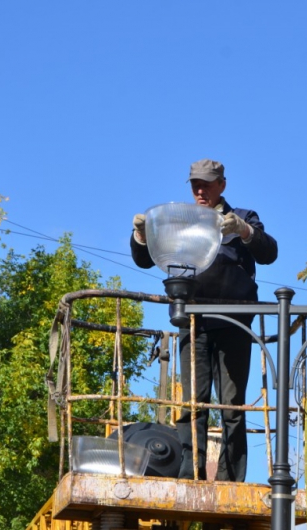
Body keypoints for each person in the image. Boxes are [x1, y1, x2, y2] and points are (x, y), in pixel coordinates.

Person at [130, 158, 278, 482]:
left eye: (207, 184)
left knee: (232, 407)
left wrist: (243, 229)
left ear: (222, 185)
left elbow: (269, 253)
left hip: (234, 323)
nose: (200, 190)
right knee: (193, 403)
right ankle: (190, 471)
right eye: (195, 184)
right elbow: (144, 259)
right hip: (192, 320)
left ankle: (230, 478)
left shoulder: (243, 217)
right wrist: (141, 234)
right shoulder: (181, 221)